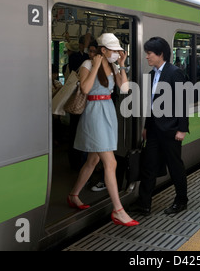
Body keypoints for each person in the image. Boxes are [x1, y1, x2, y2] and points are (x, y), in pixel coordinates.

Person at [68, 33, 139, 227]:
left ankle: (73, 195)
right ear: (103, 50)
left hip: (107, 112)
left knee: (93, 160)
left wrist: (122, 65)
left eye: (118, 51)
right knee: (111, 162)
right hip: (94, 113)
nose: (117, 53)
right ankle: (118, 210)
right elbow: (85, 88)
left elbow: (124, 89)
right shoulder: (87, 65)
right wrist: (96, 65)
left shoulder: (115, 66)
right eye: (114, 50)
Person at [131, 37, 189, 216]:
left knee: (174, 166)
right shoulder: (150, 75)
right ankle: (144, 204)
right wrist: (147, 126)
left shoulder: (175, 73)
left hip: (171, 129)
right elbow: (151, 104)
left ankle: (181, 200)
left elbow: (182, 102)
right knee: (149, 165)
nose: (147, 57)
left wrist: (182, 128)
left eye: (149, 53)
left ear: (160, 54)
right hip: (154, 129)